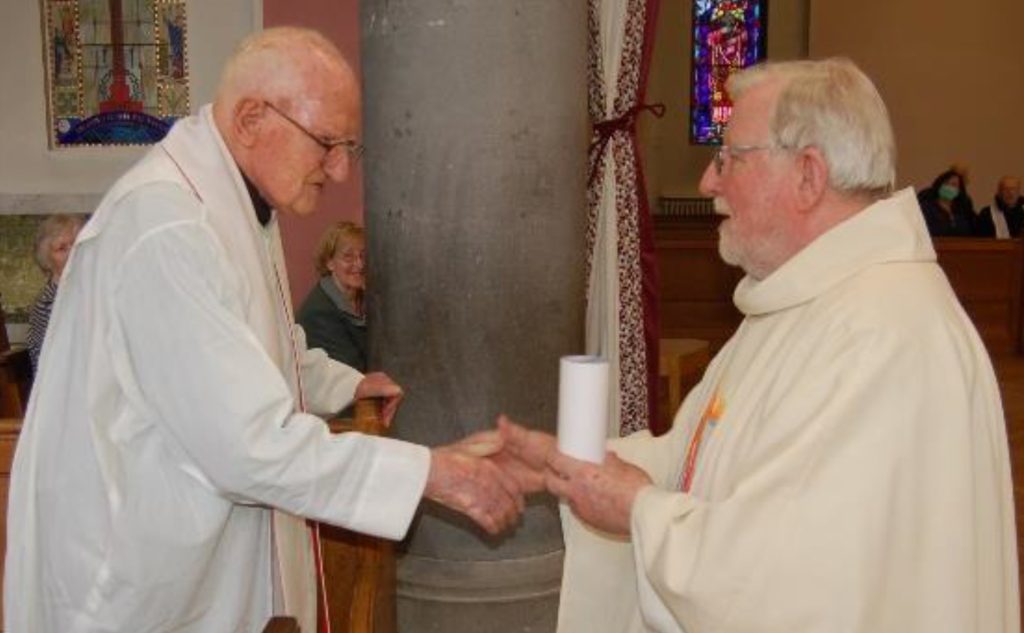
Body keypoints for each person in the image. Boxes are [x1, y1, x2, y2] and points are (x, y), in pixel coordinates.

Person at [5, 27, 526, 633]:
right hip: (134, 584)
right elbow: (248, 446)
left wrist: (342, 384)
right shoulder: (166, 227)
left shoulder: (237, 202)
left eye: (346, 148)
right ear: (253, 117)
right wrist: (429, 474)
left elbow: (258, 340)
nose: (337, 168)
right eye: (327, 144)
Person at [498, 58, 1018, 632]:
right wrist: (570, 467)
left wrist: (639, 509)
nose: (707, 182)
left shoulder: (882, 335)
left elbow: (790, 584)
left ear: (807, 175)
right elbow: (702, 459)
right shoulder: (803, 299)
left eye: (729, 159)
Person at [297, 221, 367, 372]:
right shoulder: (319, 313)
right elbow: (351, 371)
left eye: (363, 256)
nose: (360, 264)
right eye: (348, 257)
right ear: (330, 263)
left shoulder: (366, 297)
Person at [25, 213, 84, 373]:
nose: (73, 253)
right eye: (61, 248)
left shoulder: (86, 291)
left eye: (78, 245)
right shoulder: (48, 303)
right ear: (47, 260)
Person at [918, 168, 975, 236]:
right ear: (939, 185)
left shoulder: (962, 210)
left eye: (954, 185)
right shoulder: (927, 208)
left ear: (959, 191)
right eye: (946, 183)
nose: (949, 187)